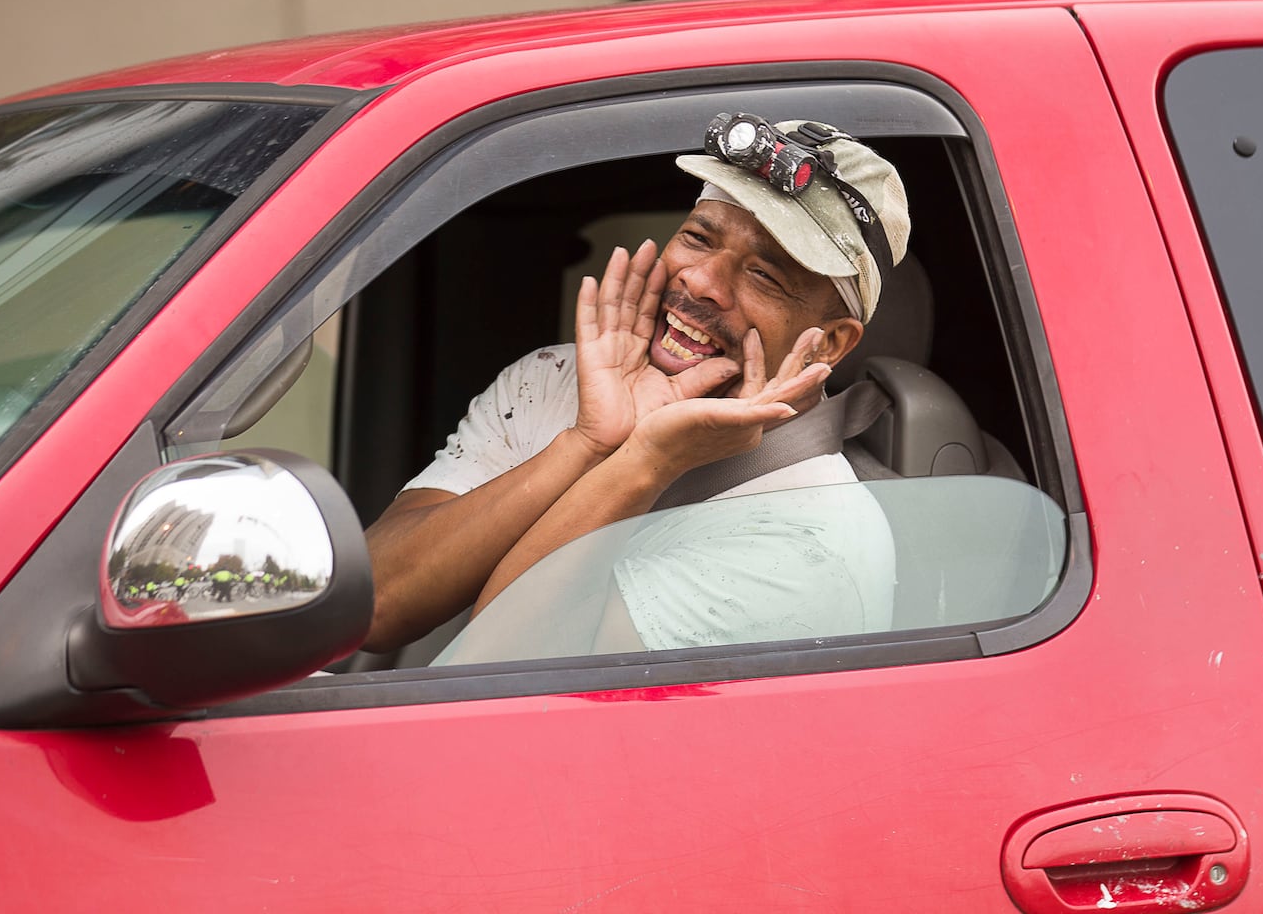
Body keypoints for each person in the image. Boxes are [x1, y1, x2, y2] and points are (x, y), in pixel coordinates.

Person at [362, 114, 911, 657]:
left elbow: (492, 677)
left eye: (764, 275)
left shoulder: (811, 541)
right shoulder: (549, 380)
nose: (699, 280)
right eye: (698, 238)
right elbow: (373, 609)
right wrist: (587, 443)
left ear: (830, 344)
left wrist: (645, 461)